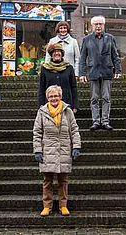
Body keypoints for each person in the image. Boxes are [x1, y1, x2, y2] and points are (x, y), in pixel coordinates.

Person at [33, 85, 81, 217]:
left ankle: (63, 205)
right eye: (51, 96)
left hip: (64, 149)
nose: (54, 98)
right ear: (47, 98)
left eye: (56, 96)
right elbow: (37, 132)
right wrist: (37, 150)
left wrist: (76, 146)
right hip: (47, 149)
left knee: (63, 180)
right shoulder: (41, 112)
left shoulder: (68, 111)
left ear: (60, 97)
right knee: (47, 180)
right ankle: (47, 206)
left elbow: (74, 130)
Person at [79, 15, 122, 131]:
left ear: (104, 25)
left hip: (107, 71)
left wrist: (118, 69)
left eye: (100, 24)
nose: (98, 26)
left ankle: (105, 121)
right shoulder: (86, 39)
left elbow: (115, 55)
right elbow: (82, 57)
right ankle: (96, 121)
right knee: (94, 98)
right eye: (96, 24)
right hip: (93, 71)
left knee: (106, 97)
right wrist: (82, 73)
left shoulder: (110, 38)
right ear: (92, 26)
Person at [39, 43, 78, 113]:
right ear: (51, 54)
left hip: (66, 103)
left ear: (62, 53)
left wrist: (75, 105)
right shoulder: (45, 68)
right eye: (54, 52)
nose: (56, 53)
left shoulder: (69, 68)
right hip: (50, 104)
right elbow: (42, 88)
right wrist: (41, 105)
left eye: (59, 51)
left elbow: (73, 87)